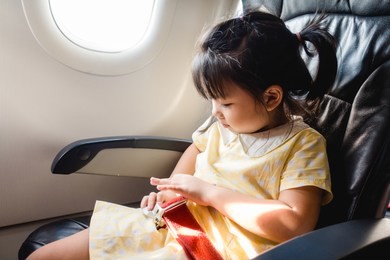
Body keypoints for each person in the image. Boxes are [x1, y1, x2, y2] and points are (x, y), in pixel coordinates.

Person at [28, 10, 337, 260]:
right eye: (212, 100)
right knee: (45, 256)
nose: (215, 111)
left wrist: (209, 194)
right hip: (174, 222)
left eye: (226, 103)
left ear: (270, 98)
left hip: (212, 248)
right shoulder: (222, 126)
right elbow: (195, 153)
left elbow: (295, 223)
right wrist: (172, 192)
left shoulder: (303, 145)